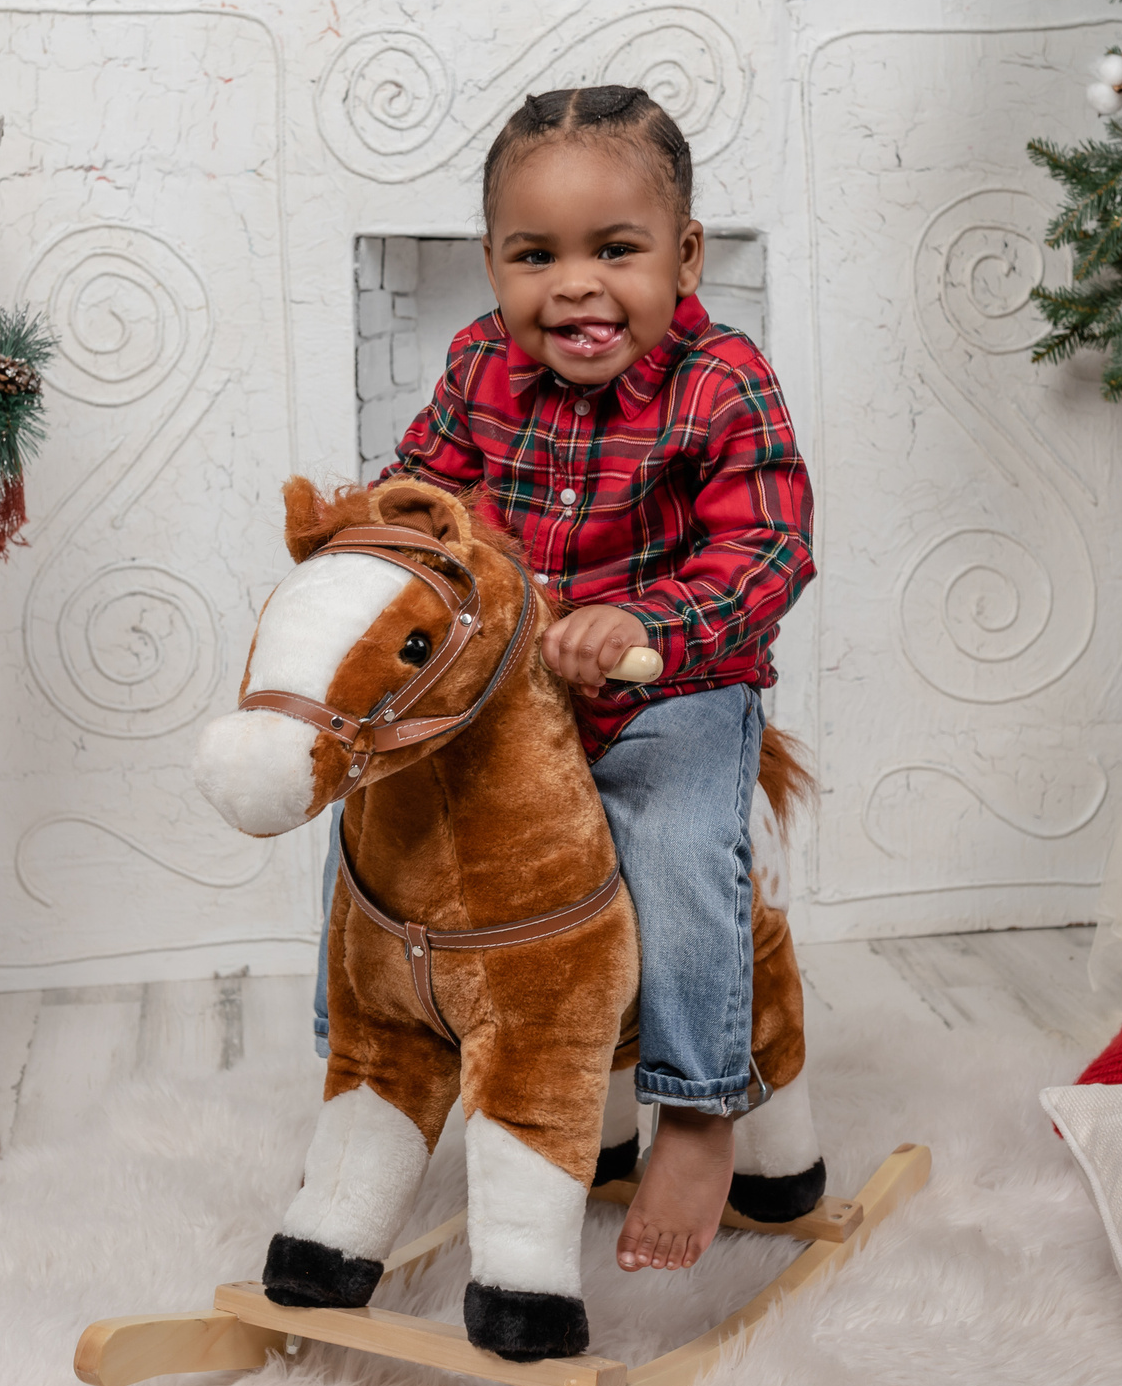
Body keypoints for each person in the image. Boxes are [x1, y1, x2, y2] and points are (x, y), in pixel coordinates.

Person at [313, 83, 815, 1273]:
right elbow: (423, 498)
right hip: (516, 698)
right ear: (491, 264)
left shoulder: (722, 379)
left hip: (674, 688)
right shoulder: (482, 364)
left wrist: (645, 619)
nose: (575, 285)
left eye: (616, 250)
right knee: (373, 815)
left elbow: (769, 548)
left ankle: (694, 1109)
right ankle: (369, 1062)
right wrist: (367, 551)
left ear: (683, 257)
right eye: (535, 255)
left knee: (680, 846)